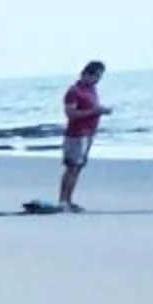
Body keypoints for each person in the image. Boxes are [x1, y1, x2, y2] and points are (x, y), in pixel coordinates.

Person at [59, 61, 108, 211]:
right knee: (71, 168)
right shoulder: (74, 91)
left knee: (78, 169)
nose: (98, 80)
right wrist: (94, 112)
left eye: (100, 76)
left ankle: (69, 200)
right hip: (76, 135)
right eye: (97, 76)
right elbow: (70, 113)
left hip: (88, 134)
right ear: (87, 74)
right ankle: (63, 201)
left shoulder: (92, 90)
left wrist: (100, 111)